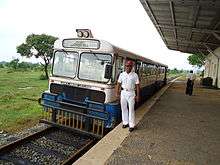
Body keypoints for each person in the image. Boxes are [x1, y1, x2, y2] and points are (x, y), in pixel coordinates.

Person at [116, 60, 140, 132]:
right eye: (127, 65)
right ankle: (125, 122)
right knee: (123, 108)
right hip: (123, 93)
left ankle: (132, 125)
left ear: (132, 67)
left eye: (130, 66)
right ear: (125, 66)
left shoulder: (135, 75)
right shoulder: (122, 74)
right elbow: (118, 84)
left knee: (131, 109)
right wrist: (117, 93)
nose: (128, 67)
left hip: (131, 93)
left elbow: (137, 86)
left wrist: (138, 96)